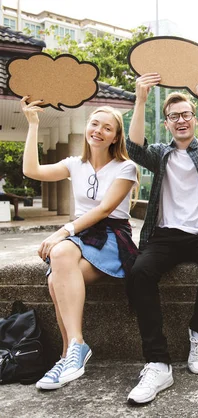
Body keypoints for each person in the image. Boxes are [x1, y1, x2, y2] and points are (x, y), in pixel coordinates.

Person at [126, 74, 198, 404]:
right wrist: (140, 99)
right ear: (166, 123)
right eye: (174, 116)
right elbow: (134, 147)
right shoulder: (160, 153)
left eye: (186, 114)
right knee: (140, 272)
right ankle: (158, 362)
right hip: (165, 235)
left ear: (195, 119)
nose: (180, 120)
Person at [20, 97, 139, 390]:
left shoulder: (126, 167)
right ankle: (70, 353)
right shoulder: (75, 164)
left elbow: (104, 211)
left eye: (107, 128)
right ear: (87, 128)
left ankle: (72, 349)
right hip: (81, 237)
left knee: (58, 265)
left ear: (116, 137)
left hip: (112, 237)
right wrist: (33, 125)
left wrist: (62, 231)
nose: (99, 131)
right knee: (58, 274)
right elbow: (31, 171)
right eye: (94, 124)